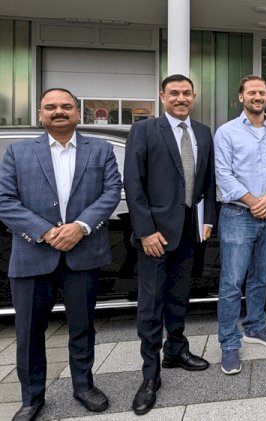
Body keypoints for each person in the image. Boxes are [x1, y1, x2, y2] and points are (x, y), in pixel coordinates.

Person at [0, 88, 121, 421]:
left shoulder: (101, 150)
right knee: (28, 332)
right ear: (40, 114)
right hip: (33, 255)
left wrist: (80, 226)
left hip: (83, 255)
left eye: (66, 106)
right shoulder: (17, 152)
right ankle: (31, 398)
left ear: (78, 113)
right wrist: (46, 231)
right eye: (51, 107)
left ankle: (84, 386)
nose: (59, 111)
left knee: (82, 327)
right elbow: (5, 200)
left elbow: (111, 192)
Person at [124, 74, 217, 415]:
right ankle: (150, 375)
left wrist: (208, 219)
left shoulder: (203, 132)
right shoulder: (145, 131)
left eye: (186, 93)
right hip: (156, 237)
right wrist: (145, 231)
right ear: (162, 96)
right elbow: (133, 184)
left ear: (194, 96)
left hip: (189, 232)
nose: (181, 98)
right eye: (174, 93)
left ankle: (176, 350)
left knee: (179, 297)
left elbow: (208, 182)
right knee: (151, 306)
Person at [214, 75, 266, 374]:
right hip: (238, 216)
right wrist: (253, 202)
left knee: (262, 277)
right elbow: (223, 174)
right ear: (241, 97)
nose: (257, 96)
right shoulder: (227, 132)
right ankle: (229, 343)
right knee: (232, 283)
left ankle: (255, 326)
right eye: (251, 92)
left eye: (262, 92)